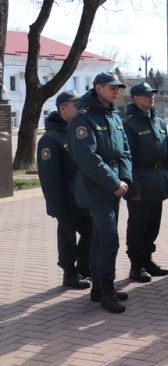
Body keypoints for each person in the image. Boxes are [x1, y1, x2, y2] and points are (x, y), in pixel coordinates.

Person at [68, 72, 132, 313]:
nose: (116, 92)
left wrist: (125, 178)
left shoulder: (113, 115)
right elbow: (88, 157)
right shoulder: (83, 118)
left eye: (118, 88)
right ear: (98, 88)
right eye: (112, 88)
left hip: (113, 186)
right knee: (108, 238)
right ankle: (107, 290)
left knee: (99, 238)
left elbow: (125, 151)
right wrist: (114, 183)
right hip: (96, 187)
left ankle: (98, 287)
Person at [38, 90, 92, 289]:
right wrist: (57, 206)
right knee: (68, 238)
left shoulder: (79, 131)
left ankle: (84, 268)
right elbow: (49, 178)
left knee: (91, 233)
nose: (80, 109)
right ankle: (69, 273)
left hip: (85, 196)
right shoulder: (50, 139)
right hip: (67, 199)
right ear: (62, 109)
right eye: (75, 106)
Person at [123, 82, 168, 283]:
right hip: (141, 181)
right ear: (136, 98)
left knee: (153, 225)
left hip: (157, 180)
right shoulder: (129, 124)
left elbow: (167, 152)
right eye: (147, 95)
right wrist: (133, 187)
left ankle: (147, 259)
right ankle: (136, 265)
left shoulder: (158, 121)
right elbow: (127, 158)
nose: (151, 97)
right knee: (138, 226)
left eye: (152, 94)